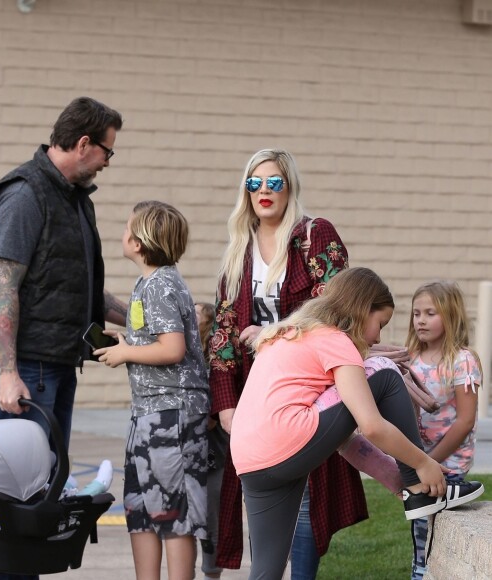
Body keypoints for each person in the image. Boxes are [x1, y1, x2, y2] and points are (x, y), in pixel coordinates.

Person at [230, 267, 484, 580]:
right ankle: (419, 490)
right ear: (363, 310)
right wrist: (422, 464)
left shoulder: (294, 334)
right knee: (384, 370)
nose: (377, 336)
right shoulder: (336, 340)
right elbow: (372, 425)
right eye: (380, 324)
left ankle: (412, 486)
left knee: (266, 571)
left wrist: (394, 477)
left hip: (252, 461)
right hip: (286, 441)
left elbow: (343, 439)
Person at [0, 96, 126, 580]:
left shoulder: (74, 198)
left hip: (54, 361)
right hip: (27, 365)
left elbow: (80, 287)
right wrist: (9, 372)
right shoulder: (26, 194)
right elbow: (5, 286)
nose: (107, 161)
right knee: (24, 489)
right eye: (107, 151)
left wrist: (142, 319)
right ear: (83, 144)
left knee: (44, 485)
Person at [207, 148, 367, 575]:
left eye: (274, 182)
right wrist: (225, 404)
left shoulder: (315, 236)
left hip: (307, 385)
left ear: (289, 186)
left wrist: (273, 332)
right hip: (253, 394)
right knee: (263, 495)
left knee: (306, 492)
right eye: (254, 182)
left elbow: (335, 309)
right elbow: (224, 329)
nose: (264, 190)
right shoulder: (238, 250)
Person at [96, 200, 210, 580]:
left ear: (140, 242)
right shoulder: (149, 283)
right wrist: (125, 339)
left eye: (128, 227)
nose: (123, 233)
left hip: (172, 415)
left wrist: (127, 351)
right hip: (148, 411)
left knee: (173, 511)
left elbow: (172, 348)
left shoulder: (161, 284)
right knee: (141, 507)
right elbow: (158, 337)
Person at [406, 281, 484, 579]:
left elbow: (465, 421)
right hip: (418, 459)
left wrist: (431, 461)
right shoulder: (410, 356)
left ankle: (424, 572)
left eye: (430, 313)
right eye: (416, 313)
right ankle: (420, 570)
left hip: (447, 463)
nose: (421, 320)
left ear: (450, 317)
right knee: (419, 525)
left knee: (431, 526)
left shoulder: (463, 361)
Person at [196, 302, 228, 580]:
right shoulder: (188, 357)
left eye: (195, 312)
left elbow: (210, 419)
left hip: (212, 455)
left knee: (209, 520)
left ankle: (211, 573)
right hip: (190, 452)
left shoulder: (214, 365)